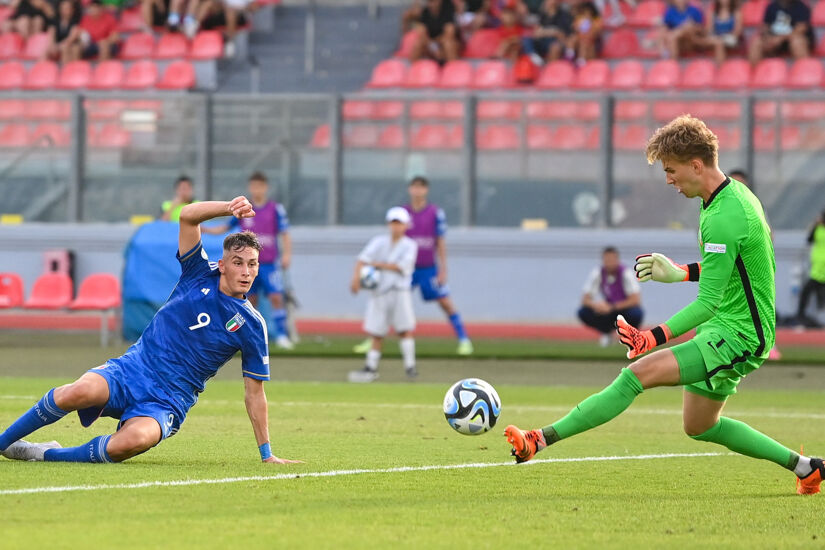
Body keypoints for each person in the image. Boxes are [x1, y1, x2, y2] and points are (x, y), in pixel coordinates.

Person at [504, 115, 825, 496]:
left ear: (696, 164)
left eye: (671, 170)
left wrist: (652, 337)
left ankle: (538, 440)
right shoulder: (726, 199)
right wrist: (680, 272)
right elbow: (733, 268)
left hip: (739, 332)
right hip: (730, 324)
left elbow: (707, 303)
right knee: (700, 426)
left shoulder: (724, 215)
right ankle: (808, 467)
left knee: (634, 376)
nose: (669, 180)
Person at [0, 197, 302, 465]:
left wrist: (267, 453)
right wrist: (227, 208)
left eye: (252, 264)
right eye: (239, 263)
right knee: (78, 391)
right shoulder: (198, 272)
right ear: (222, 265)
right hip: (133, 369)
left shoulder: (251, 325)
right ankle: (2, 442)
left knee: (132, 442)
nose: (247, 271)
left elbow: (254, 393)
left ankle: (40, 453)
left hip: (168, 400)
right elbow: (187, 216)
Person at [358, 177, 474, 356]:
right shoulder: (402, 213)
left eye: (421, 187)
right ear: (409, 190)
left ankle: (463, 339)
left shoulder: (435, 212)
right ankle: (372, 339)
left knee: (445, 302)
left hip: (427, 268)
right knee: (387, 303)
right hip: (405, 270)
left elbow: (440, 241)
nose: (417, 191)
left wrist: (443, 268)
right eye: (414, 187)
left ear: (426, 190)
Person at [205, 172, 294, 350]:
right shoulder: (244, 210)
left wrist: (287, 255)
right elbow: (225, 227)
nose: (256, 189)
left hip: (268, 264)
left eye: (260, 186)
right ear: (250, 187)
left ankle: (283, 335)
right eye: (253, 186)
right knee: (249, 300)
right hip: (247, 265)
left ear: (265, 187)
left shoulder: (275, 209)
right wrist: (204, 229)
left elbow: (284, 233)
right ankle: (249, 336)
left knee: (276, 297)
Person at [348, 207, 418, 384]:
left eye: (399, 223)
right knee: (376, 332)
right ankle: (371, 367)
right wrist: (356, 278)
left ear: (406, 225)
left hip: (400, 291)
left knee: (404, 329)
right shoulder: (379, 242)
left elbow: (402, 266)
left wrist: (377, 264)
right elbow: (362, 259)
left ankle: (410, 366)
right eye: (393, 223)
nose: (396, 227)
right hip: (379, 291)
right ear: (389, 224)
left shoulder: (410, 245)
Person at [578, 246, 643, 347]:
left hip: (622, 310)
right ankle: (607, 332)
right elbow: (585, 299)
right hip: (607, 311)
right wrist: (597, 305)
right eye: (606, 260)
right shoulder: (598, 272)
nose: (609, 263)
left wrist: (612, 307)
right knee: (583, 312)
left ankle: (629, 335)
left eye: (612, 260)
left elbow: (635, 300)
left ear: (617, 260)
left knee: (636, 313)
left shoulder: (625, 273)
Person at [748, 0, 812, 65]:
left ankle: (803, 70)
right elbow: (765, 26)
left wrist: (780, 39)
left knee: (797, 42)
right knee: (757, 42)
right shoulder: (771, 6)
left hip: (790, 39)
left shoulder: (801, 7)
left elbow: (801, 28)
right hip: (773, 39)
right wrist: (768, 38)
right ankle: (754, 72)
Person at [795, 209, 825, 328]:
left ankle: (801, 316)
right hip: (816, 271)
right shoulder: (818, 229)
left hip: (819, 272)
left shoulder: (818, 228)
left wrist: (815, 224)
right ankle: (802, 317)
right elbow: (809, 239)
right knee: (814, 296)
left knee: (813, 296)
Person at [521, 0, 573, 65]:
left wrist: (547, 32)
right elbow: (536, 33)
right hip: (542, 41)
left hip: (555, 41)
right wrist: (551, 31)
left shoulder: (563, 15)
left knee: (555, 47)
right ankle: (535, 58)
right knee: (526, 39)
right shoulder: (542, 15)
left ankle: (550, 68)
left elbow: (562, 34)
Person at [568, 0, 602, 64]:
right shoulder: (580, 18)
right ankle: (569, 55)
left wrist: (590, 22)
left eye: (589, 12)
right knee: (573, 38)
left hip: (590, 40)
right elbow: (575, 28)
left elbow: (595, 33)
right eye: (585, 12)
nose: (587, 14)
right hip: (580, 38)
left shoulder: (596, 20)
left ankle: (581, 61)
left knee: (584, 44)